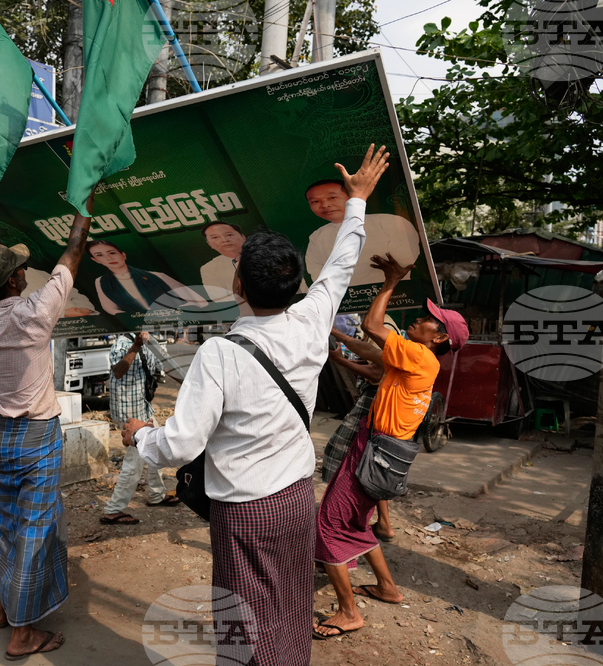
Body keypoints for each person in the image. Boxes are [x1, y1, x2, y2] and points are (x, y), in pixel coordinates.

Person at [122, 145, 391, 665]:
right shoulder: (312, 320)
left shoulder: (219, 353)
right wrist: (355, 202)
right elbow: (340, 265)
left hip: (242, 510)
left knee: (244, 621)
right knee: (288, 609)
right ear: (296, 285)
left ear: (238, 284)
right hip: (293, 499)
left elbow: (180, 443)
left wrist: (138, 434)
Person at [0, 196, 95, 660]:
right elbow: (73, 251)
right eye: (17, 269)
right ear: (13, 280)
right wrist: (84, 195)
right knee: (36, 527)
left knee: (9, 522)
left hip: (2, 435)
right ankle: (22, 633)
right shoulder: (34, 314)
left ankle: (5, 606)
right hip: (37, 434)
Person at [312, 254, 469, 641]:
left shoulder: (419, 355)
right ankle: (387, 588)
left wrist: (390, 283)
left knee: (328, 526)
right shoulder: (417, 361)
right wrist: (337, 349)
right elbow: (372, 360)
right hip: (384, 451)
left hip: (373, 448)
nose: (420, 317)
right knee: (354, 522)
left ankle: (348, 612)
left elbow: (371, 326)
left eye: (428, 318)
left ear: (439, 337)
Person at [321, 314, 402, 544]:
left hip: (376, 399)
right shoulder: (379, 326)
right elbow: (371, 360)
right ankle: (380, 523)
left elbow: (377, 372)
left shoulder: (380, 327)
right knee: (372, 462)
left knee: (338, 456)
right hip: (380, 399)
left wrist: (340, 360)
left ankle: (345, 522)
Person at [100, 331, 181, 525]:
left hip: (144, 406)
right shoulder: (120, 344)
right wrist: (135, 347)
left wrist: (188, 381)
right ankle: (113, 509)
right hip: (129, 411)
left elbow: (166, 366)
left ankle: (156, 494)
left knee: (158, 444)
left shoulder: (151, 341)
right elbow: (118, 372)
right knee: (134, 462)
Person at [304, 179, 420, 285]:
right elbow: (317, 271)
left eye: (332, 198)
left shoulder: (390, 222)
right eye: (315, 201)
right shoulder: (317, 236)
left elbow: (404, 263)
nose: (325, 205)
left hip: (395, 294)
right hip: (346, 302)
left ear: (351, 197)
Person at [0, 233, 96, 318]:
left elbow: (73, 293)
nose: (23, 270)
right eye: (20, 267)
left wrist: (83, 307)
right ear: (12, 282)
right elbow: (70, 258)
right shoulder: (29, 317)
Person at [87, 240, 207, 315]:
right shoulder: (101, 282)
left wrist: (175, 312)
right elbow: (110, 308)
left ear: (123, 255)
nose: (109, 258)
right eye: (100, 255)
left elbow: (200, 301)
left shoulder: (157, 276)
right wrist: (136, 319)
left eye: (112, 253)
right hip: (141, 329)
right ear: (95, 260)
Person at [199, 221, 246, 302]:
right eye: (215, 237)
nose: (224, 240)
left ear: (243, 237)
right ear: (210, 244)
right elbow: (219, 299)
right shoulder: (209, 268)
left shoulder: (270, 253)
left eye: (229, 235)